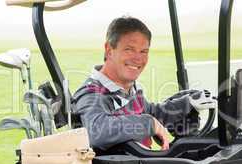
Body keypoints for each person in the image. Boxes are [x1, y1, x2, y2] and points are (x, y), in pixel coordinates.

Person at [72, 16, 216, 151]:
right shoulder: (91, 93)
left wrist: (187, 103)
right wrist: (149, 124)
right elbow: (97, 131)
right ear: (109, 50)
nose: (138, 58)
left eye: (143, 51)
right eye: (129, 49)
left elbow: (152, 113)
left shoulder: (129, 88)